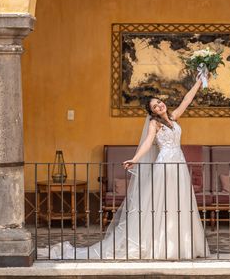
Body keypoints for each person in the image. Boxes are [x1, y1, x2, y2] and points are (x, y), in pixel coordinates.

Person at [48, 72, 211, 260]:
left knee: (179, 204)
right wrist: (135, 158)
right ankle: (159, 246)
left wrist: (200, 80)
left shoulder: (173, 118)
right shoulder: (154, 124)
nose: (159, 105)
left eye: (159, 102)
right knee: (162, 205)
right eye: (155, 106)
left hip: (179, 165)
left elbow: (187, 99)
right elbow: (148, 143)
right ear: (152, 112)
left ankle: (179, 245)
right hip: (165, 165)